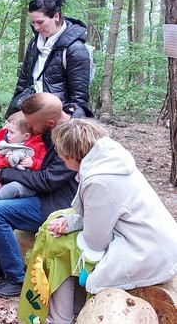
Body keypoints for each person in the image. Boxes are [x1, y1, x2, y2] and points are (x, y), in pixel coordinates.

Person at [17, 118, 177, 324]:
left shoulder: (98, 180)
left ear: (72, 155)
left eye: (59, 151)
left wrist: (72, 226)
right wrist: (72, 222)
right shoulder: (111, 160)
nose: (57, 155)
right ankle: (72, 311)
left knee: (58, 247)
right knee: (62, 234)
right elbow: (103, 215)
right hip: (158, 245)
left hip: (145, 254)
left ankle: (61, 318)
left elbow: (95, 242)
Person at [0, 93, 83, 298]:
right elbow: (18, 150)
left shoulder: (73, 137)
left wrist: (4, 173)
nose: (30, 128)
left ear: (50, 123)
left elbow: (47, 180)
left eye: (33, 124)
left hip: (57, 204)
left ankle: (16, 278)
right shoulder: (49, 125)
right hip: (35, 192)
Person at [5, 0, 91, 119]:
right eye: (33, 22)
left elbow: (79, 98)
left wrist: (68, 128)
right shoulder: (34, 43)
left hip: (58, 119)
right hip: (32, 115)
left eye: (40, 22)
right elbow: (23, 83)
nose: (36, 27)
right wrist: (13, 114)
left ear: (56, 16)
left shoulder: (75, 49)